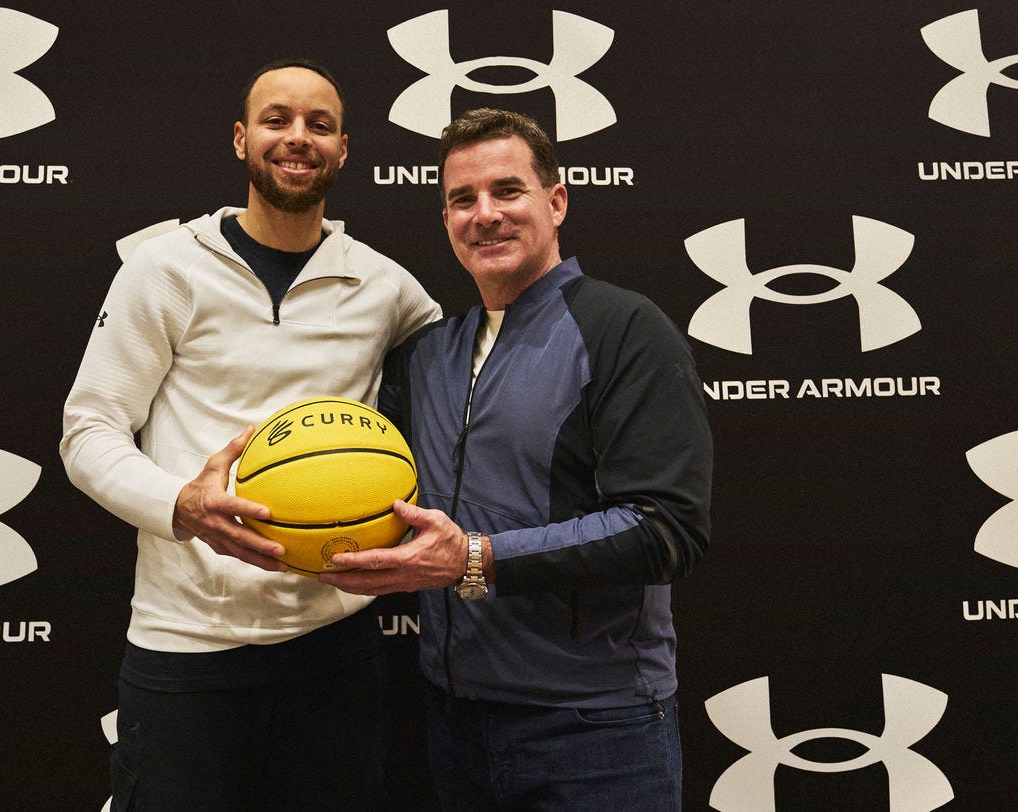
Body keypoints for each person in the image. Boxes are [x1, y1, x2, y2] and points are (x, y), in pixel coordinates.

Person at [60, 59, 440, 811]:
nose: (297, 138)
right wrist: (181, 505)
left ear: (342, 151)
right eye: (277, 119)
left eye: (319, 125)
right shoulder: (165, 269)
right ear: (240, 139)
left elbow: (464, 386)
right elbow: (88, 429)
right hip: (188, 643)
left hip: (335, 647)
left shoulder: (385, 286)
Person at [319, 108, 713, 810]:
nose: (486, 215)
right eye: (463, 200)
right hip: (453, 719)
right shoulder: (429, 353)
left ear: (555, 201)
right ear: (444, 219)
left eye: (508, 191)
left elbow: (666, 529)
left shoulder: (626, 329)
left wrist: (475, 558)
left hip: (595, 730)